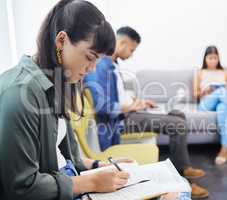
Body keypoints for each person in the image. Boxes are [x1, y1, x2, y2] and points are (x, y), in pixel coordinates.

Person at [0, 0, 133, 199]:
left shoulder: (58, 82)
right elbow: (23, 187)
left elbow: (66, 157)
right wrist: (93, 181)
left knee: (174, 191)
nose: (93, 68)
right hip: (55, 191)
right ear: (61, 41)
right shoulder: (21, 93)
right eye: (90, 57)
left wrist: (101, 165)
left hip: (68, 182)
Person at [84, 26, 209, 199]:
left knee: (178, 115)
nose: (132, 54)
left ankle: (183, 168)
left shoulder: (112, 65)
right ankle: (183, 180)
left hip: (127, 114)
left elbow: (118, 97)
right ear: (122, 43)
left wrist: (138, 103)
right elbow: (102, 106)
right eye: (132, 49)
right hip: (119, 122)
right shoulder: (101, 66)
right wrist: (131, 107)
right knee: (177, 124)